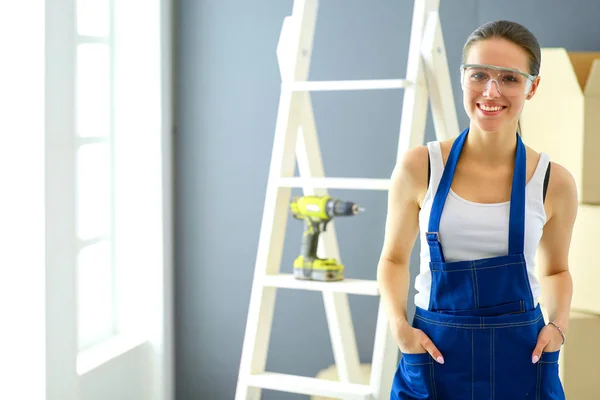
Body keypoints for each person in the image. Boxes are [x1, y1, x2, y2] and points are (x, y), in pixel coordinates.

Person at [377, 20, 578, 399]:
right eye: (479, 75)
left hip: (523, 360)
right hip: (433, 357)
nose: (491, 91)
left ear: (532, 87)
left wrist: (559, 327)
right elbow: (392, 259)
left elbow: (557, 269)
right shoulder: (420, 167)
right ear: (462, 78)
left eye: (510, 78)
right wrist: (399, 327)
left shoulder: (555, 181)